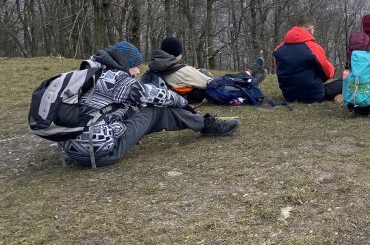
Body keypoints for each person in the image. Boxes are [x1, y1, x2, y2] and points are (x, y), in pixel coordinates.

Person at [60, 41, 239, 167]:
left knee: (135, 108)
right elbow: (160, 96)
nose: (138, 70)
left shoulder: (92, 72)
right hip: (101, 153)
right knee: (157, 110)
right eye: (135, 65)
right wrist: (183, 102)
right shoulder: (116, 80)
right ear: (124, 64)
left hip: (75, 149)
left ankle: (202, 123)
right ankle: (206, 125)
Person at [273, 13, 341, 103]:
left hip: (288, 95)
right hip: (313, 95)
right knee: (346, 82)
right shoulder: (314, 48)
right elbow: (328, 73)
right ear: (311, 28)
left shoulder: (278, 49)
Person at [143, 36, 212, 104]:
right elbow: (210, 83)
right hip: (182, 99)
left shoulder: (155, 67)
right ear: (178, 53)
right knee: (205, 72)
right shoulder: (184, 71)